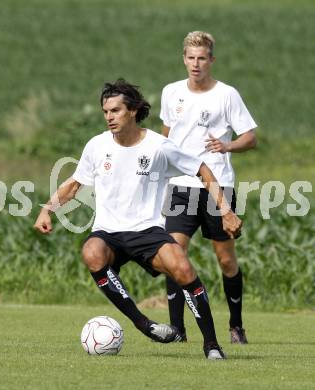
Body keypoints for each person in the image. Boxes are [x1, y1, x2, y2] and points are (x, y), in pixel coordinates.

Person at [34, 79, 242, 359]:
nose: (109, 117)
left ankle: (211, 345)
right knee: (91, 252)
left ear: (132, 111)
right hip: (109, 232)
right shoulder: (96, 146)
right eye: (105, 111)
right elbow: (74, 184)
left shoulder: (159, 146)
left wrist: (225, 210)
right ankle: (144, 323)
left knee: (182, 268)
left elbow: (202, 169)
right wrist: (48, 208)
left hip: (147, 231)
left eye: (115, 110)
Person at [160, 31, 257, 344]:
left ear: (211, 60)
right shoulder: (171, 92)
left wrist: (227, 146)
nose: (196, 64)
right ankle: (177, 329)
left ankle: (236, 325)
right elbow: (166, 138)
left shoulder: (227, 94)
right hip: (180, 186)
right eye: (191, 57)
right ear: (184, 58)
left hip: (218, 187)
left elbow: (250, 138)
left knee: (226, 261)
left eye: (202, 58)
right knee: (173, 255)